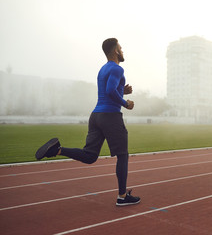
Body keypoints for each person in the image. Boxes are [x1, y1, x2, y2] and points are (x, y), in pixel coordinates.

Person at [35, 38, 140, 206]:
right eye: (121, 48)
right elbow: (110, 91)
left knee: (90, 156)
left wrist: (123, 91)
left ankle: (57, 150)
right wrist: (125, 103)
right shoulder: (118, 69)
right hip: (110, 116)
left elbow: (110, 92)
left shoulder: (102, 69)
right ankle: (122, 196)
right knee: (123, 155)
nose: (123, 50)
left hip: (96, 116)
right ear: (115, 51)